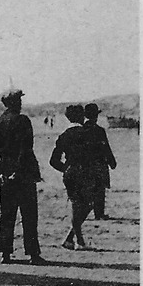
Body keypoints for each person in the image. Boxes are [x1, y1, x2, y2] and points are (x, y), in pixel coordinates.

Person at [0, 88, 45, 264]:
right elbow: (26, 149)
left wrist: (0, 172)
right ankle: (33, 254)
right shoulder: (23, 121)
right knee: (29, 215)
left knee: (7, 214)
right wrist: (18, 171)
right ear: (13, 103)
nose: (20, 103)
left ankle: (5, 254)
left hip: (5, 176)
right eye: (18, 100)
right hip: (24, 174)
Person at [50, 104, 93, 249]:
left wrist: (66, 169)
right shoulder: (88, 133)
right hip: (85, 172)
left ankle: (71, 239)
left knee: (77, 204)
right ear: (82, 116)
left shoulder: (64, 135)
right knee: (87, 205)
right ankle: (78, 241)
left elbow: (53, 161)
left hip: (70, 173)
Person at [83, 103, 118, 219]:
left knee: (88, 189)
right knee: (99, 189)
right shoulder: (99, 131)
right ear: (96, 116)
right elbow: (106, 148)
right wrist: (112, 162)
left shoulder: (81, 130)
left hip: (85, 165)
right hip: (99, 164)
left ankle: (85, 212)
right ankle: (99, 213)